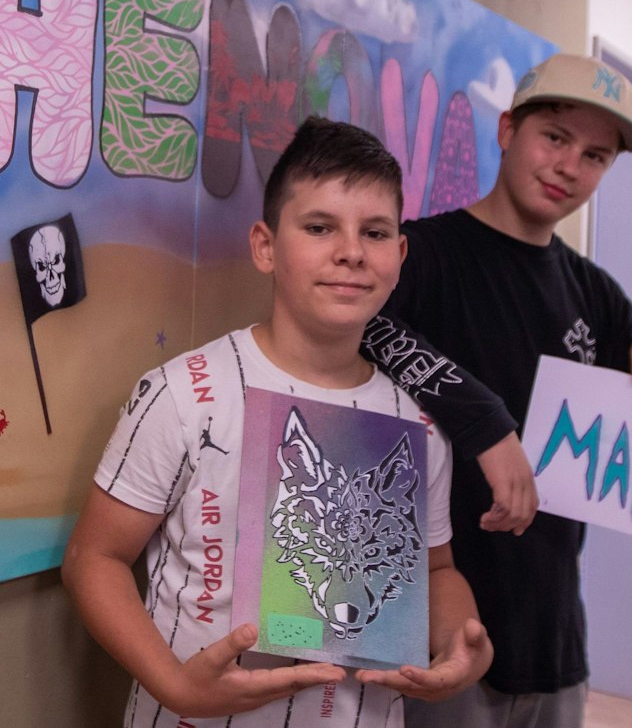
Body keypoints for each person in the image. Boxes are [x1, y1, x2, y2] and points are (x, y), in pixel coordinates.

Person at [64, 118, 493, 727]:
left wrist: (459, 642)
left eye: (374, 232)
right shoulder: (186, 394)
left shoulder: (417, 425)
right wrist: (175, 687)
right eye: (319, 227)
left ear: (398, 256)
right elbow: (94, 558)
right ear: (265, 246)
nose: (351, 251)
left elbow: (436, 569)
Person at [377, 53, 632, 728]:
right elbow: (359, 330)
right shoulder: (421, 255)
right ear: (508, 129)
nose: (569, 166)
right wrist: (485, 421)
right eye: (555, 137)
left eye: (595, 155)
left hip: (555, 640)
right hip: (427, 636)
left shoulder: (596, 293)